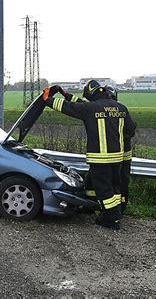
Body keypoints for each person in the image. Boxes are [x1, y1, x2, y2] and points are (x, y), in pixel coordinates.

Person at [42, 80, 136, 230]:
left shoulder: (90, 108)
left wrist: (47, 99)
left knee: (104, 189)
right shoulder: (121, 108)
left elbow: (68, 107)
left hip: (99, 158)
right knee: (114, 187)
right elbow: (131, 130)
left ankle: (112, 219)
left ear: (91, 94)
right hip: (118, 158)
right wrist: (66, 94)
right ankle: (111, 212)